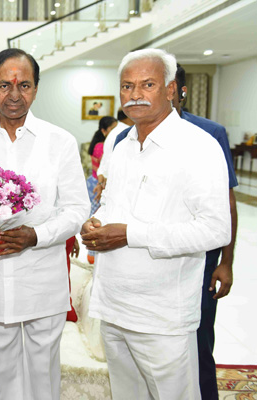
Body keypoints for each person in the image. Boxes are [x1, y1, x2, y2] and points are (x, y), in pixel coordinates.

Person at [81, 49, 231, 399]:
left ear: (170, 89)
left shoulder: (198, 146)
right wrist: (96, 223)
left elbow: (215, 228)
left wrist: (131, 234)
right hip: (114, 305)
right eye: (127, 86)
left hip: (162, 316)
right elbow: (112, 205)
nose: (135, 94)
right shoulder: (123, 146)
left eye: (147, 84)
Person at [0, 48, 89, 400]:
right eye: (4, 86)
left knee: (44, 372)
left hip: (42, 278)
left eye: (24, 85)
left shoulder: (60, 142)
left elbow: (77, 209)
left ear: (36, 88)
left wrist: (36, 236)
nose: (14, 95)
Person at [94, 108, 133, 201]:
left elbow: (104, 162)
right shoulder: (126, 133)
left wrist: (100, 183)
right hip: (118, 184)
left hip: (108, 183)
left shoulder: (113, 133)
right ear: (129, 116)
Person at [86, 116, 117, 216]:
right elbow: (105, 168)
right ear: (104, 131)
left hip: (94, 180)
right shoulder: (101, 146)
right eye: (113, 129)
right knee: (95, 214)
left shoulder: (99, 144)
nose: (116, 132)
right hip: (98, 183)